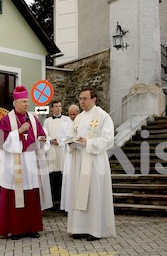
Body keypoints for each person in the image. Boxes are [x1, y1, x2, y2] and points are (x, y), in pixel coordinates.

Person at [0, 86, 51, 239]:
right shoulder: (7, 119)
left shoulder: (33, 118)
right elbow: (2, 141)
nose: (27, 104)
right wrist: (18, 132)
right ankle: (16, 230)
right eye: (24, 101)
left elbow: (42, 136)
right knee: (15, 195)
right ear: (16, 103)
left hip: (30, 160)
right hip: (14, 162)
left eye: (28, 101)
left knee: (31, 194)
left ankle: (32, 228)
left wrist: (42, 140)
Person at [66, 88, 115, 241]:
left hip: (95, 159)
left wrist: (89, 143)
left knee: (94, 193)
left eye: (85, 98)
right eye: (80, 98)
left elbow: (108, 139)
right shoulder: (78, 118)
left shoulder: (103, 116)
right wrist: (71, 142)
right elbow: (71, 135)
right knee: (79, 192)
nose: (82, 102)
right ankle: (79, 228)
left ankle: (96, 229)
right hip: (79, 159)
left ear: (94, 99)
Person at [43, 100, 70, 209]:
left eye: (59, 106)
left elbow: (69, 133)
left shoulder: (67, 120)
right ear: (52, 108)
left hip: (62, 150)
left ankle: (62, 199)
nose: (58, 108)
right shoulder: (47, 121)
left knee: (63, 174)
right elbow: (45, 134)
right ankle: (53, 199)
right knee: (52, 174)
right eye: (56, 106)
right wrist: (50, 140)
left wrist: (61, 140)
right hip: (52, 150)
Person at [58, 104, 80, 212]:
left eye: (74, 114)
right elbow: (60, 138)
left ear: (78, 113)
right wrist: (66, 142)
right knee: (68, 180)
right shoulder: (65, 125)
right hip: (69, 156)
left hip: (80, 155)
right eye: (70, 114)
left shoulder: (82, 123)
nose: (72, 117)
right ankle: (68, 207)